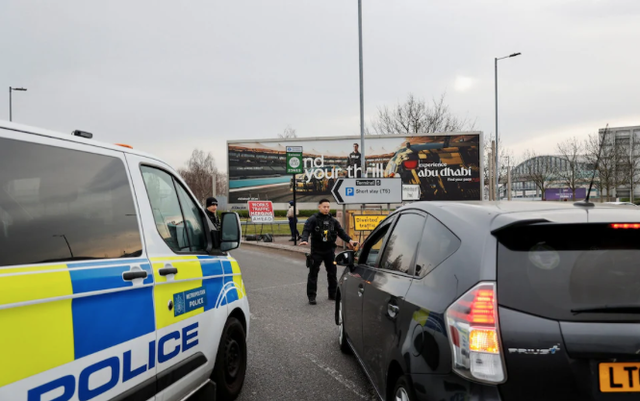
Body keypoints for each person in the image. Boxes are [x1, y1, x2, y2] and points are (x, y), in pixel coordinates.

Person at [299, 199, 358, 305]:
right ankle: (312, 296)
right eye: (324, 207)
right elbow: (306, 230)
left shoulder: (333, 221)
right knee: (313, 273)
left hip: (329, 251)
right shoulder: (313, 219)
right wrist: (304, 239)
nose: (326, 209)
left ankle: (333, 294)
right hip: (317, 251)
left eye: (328, 207)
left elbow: (341, 232)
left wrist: (350, 240)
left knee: (332, 273)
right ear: (319, 207)